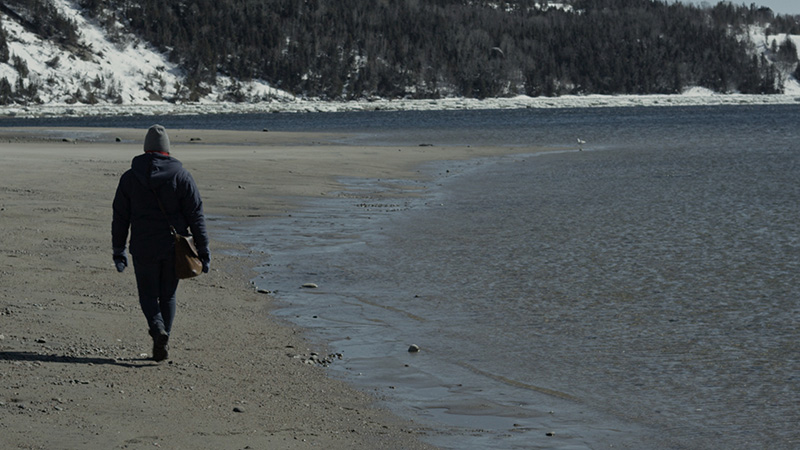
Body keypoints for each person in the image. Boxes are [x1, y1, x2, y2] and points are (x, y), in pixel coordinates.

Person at [112, 125, 210, 361]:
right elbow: (196, 216)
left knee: (147, 295)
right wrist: (203, 250)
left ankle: (158, 330)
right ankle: (163, 337)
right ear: (167, 149)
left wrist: (118, 249)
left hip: (143, 246)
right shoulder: (182, 176)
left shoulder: (129, 177)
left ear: (145, 148)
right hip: (173, 247)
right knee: (168, 296)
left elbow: (120, 217)